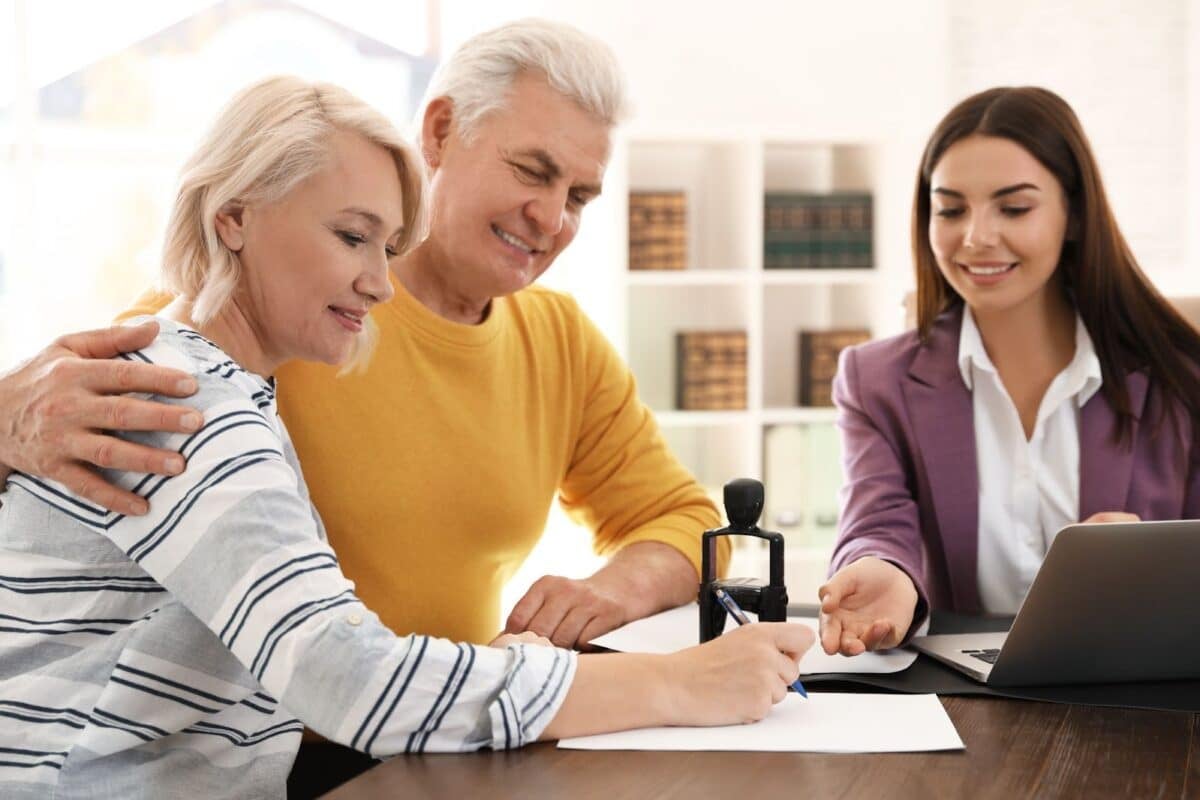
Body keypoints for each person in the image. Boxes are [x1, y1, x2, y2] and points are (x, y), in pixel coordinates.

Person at [0, 75, 814, 800]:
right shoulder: (184, 404)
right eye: (351, 238)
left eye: (388, 247)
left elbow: (670, 508)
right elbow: (352, 679)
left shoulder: (221, 383)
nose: (379, 282)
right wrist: (676, 685)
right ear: (234, 217)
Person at [0, 18, 726, 655]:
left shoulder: (561, 341)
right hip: (287, 752)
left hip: (451, 724)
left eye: (578, 197)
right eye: (531, 171)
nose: (551, 217)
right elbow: (75, 425)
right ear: (441, 132)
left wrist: (611, 592)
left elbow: (687, 520)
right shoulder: (278, 306)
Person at [817, 86, 1200, 657]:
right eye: (950, 209)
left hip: (1142, 703)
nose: (975, 237)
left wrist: (1152, 569)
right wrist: (885, 572)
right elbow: (877, 519)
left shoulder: (1178, 375)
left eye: (1014, 208)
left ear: (1073, 215)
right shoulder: (875, 381)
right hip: (963, 710)